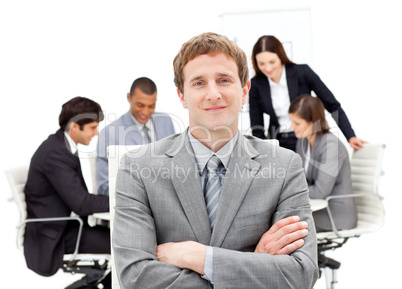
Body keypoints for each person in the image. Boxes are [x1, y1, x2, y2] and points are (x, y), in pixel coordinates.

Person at [113, 32, 319, 289]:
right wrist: (254, 263)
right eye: (199, 83)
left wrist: (199, 258)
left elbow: (302, 273)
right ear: (181, 96)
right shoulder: (138, 168)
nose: (213, 94)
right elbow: (136, 277)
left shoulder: (284, 165)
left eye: (224, 80)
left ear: (244, 91)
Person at [24, 97, 111, 286]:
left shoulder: (62, 146)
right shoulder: (55, 153)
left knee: (121, 237)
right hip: (55, 235)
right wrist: (120, 200)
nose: (96, 133)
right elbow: (81, 203)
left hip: (69, 226)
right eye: (93, 127)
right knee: (124, 243)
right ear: (74, 127)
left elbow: (80, 201)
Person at [249, 35, 365, 151]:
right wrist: (263, 153)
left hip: (308, 139)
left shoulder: (302, 73)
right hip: (278, 143)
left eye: (272, 62)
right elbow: (257, 126)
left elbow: (333, 105)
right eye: (262, 64)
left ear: (281, 57)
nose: (268, 68)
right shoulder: (256, 85)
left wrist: (350, 136)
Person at [289, 95, 358, 232]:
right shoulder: (302, 141)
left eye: (297, 123)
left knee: (284, 222)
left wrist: (290, 194)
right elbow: (300, 180)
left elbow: (320, 191)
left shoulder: (331, 146)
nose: (292, 127)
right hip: (316, 207)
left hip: (336, 213)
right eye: (291, 122)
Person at [96, 77, 175, 195]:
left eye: (151, 106)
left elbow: (175, 164)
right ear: (129, 97)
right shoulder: (110, 133)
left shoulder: (165, 121)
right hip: (132, 201)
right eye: (140, 105)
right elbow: (103, 186)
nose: (145, 112)